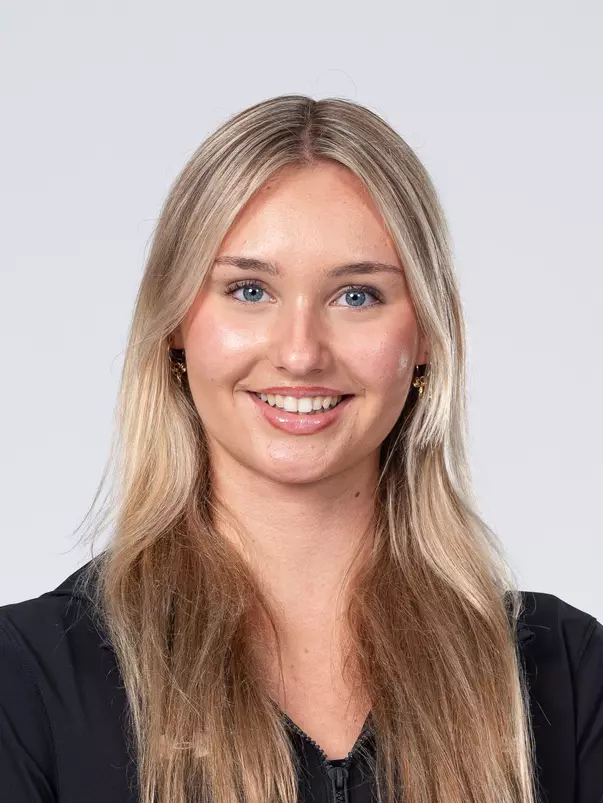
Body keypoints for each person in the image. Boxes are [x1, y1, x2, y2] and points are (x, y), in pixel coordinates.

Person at [0, 94, 601, 803]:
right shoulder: (29, 682)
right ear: (175, 327)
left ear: (426, 339)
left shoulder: (559, 672)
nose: (299, 352)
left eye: (356, 296)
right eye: (249, 289)